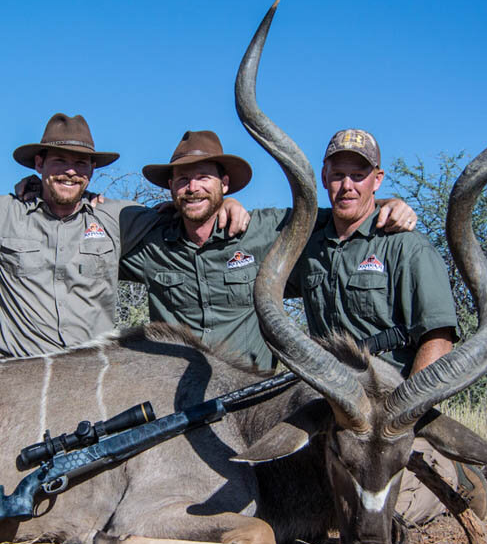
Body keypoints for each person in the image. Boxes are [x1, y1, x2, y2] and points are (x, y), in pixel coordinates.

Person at [0, 114, 249, 359]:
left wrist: (227, 205)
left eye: (80, 163)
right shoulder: (0, 213)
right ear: (39, 164)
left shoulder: (118, 217)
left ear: (91, 171)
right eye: (59, 161)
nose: (70, 172)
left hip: (91, 375)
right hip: (18, 375)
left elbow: (187, 210)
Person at [291, 128, 487, 521]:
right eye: (337, 175)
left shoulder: (406, 246)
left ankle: (458, 475)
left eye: (358, 175)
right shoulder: (306, 245)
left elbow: (438, 337)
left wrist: (404, 417)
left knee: (385, 508)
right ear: (324, 176)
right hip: (337, 407)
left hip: (391, 410)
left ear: (376, 180)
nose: (347, 185)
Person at [120, 130, 416, 371]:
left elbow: (341, 213)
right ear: (171, 187)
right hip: (173, 395)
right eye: (183, 180)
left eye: (203, 177)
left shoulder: (262, 229)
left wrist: (383, 204)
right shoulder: (151, 243)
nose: (193, 187)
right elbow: (89, 245)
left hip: (249, 396)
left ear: (224, 184)